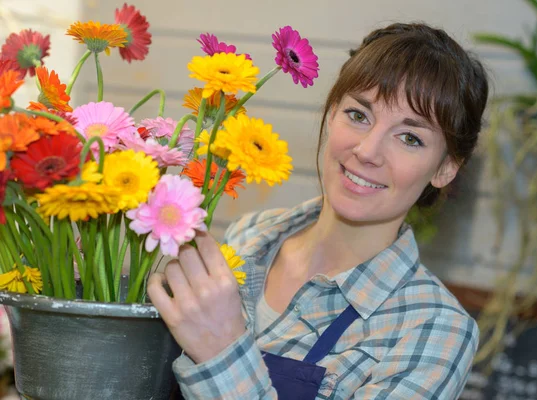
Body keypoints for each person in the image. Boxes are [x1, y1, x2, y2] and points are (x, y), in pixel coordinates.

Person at [148, 21, 489, 400]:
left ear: (445, 168)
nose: (367, 151)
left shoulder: (434, 330)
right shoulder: (249, 238)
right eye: (359, 115)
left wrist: (223, 352)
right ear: (331, 113)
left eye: (410, 138)